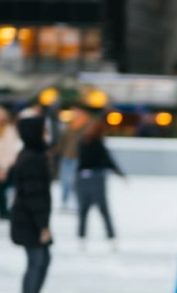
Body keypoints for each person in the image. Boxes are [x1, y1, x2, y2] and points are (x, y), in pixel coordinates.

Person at [10, 114, 54, 293]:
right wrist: (42, 225)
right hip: (29, 219)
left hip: (30, 217)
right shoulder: (32, 158)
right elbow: (34, 195)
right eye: (43, 130)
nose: (47, 134)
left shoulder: (33, 154)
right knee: (36, 261)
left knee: (43, 259)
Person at [77, 117, 125, 251]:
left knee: (84, 210)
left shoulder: (83, 142)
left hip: (82, 178)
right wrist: (120, 174)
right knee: (103, 209)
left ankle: (82, 238)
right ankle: (111, 238)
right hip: (96, 178)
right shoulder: (98, 144)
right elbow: (108, 161)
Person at [50, 106, 88, 212]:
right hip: (66, 157)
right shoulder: (68, 127)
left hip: (77, 158)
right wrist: (57, 151)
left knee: (74, 182)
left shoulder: (84, 128)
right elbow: (62, 141)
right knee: (64, 181)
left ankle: (76, 202)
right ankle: (64, 201)